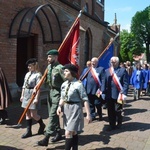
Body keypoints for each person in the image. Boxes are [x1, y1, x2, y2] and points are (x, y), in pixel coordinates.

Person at [57, 64, 92, 150]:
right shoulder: (64, 84)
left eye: (66, 71)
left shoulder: (78, 85)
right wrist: (59, 106)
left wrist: (88, 114)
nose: (64, 72)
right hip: (66, 109)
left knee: (68, 132)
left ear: (72, 73)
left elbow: (85, 99)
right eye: (64, 71)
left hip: (75, 108)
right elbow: (62, 97)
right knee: (73, 131)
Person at [37, 49, 65, 146]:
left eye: (50, 57)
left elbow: (66, 82)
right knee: (52, 114)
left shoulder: (60, 68)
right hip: (50, 92)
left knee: (52, 115)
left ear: (55, 57)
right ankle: (58, 133)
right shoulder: (49, 67)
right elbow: (45, 79)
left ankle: (46, 138)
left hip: (57, 93)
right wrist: (38, 86)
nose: (48, 59)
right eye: (48, 56)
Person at [20, 58, 45, 138]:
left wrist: (36, 98)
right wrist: (22, 95)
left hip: (33, 94)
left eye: (30, 66)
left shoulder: (38, 75)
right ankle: (28, 131)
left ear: (35, 65)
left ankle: (42, 124)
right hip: (26, 93)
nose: (28, 67)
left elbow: (38, 88)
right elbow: (24, 86)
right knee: (27, 113)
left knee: (33, 114)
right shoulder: (27, 74)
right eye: (28, 66)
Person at [105, 56, 128, 131]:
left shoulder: (122, 70)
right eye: (111, 62)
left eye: (114, 62)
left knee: (117, 110)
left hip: (119, 94)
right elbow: (104, 83)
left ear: (117, 62)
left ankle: (119, 122)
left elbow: (125, 83)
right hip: (109, 94)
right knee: (110, 110)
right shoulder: (107, 71)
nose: (112, 63)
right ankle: (112, 125)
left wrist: (124, 93)